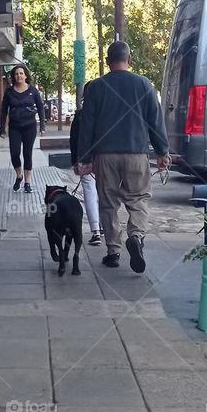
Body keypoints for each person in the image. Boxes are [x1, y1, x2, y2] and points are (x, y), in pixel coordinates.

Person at [76, 41, 169, 272]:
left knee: (108, 203)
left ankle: (113, 251)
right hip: (136, 153)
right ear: (130, 59)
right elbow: (156, 122)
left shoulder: (95, 87)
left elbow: (86, 126)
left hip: (105, 155)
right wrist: (162, 152)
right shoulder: (144, 84)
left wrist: (84, 158)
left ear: (107, 61)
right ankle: (136, 236)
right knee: (137, 199)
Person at [0, 64, 45, 193]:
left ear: (25, 75)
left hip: (29, 126)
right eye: (16, 74)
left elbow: (41, 108)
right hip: (14, 127)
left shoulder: (33, 91)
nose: (19, 75)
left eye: (21, 73)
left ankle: (27, 182)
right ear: (13, 76)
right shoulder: (9, 92)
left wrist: (42, 126)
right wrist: (2, 128)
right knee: (14, 153)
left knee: (27, 153)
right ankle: (18, 175)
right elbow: (4, 111)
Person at [68, 106, 102, 245]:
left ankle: (96, 231)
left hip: (85, 158)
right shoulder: (106, 111)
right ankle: (105, 226)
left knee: (90, 192)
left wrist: (75, 162)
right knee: (104, 192)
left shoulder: (81, 115)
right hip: (105, 158)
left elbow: (74, 139)